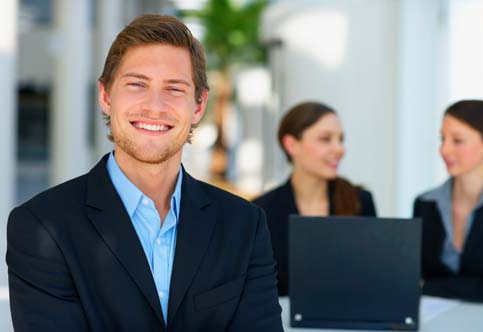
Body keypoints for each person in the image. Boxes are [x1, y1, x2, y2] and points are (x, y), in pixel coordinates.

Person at [6, 15, 283, 331]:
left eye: (174, 88)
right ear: (106, 96)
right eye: (137, 84)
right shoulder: (43, 226)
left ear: (199, 105)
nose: (155, 105)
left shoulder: (245, 226)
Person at [252, 101, 377, 296]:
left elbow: (371, 278)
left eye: (341, 139)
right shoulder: (260, 211)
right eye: (325, 139)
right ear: (292, 144)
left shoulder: (361, 201)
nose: (339, 149)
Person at [413, 100, 483, 304]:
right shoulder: (425, 203)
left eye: (457, 140)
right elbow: (413, 278)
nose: (444, 150)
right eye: (442, 139)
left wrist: (427, 286)